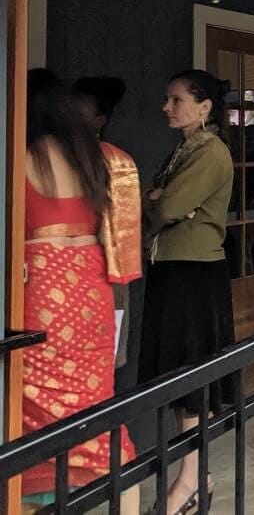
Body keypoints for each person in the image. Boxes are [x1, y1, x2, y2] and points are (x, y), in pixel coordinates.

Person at [21, 70, 139, 514]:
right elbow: (124, 246)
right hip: (92, 292)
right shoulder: (107, 158)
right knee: (96, 408)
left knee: (33, 413)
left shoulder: (17, 157)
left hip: (40, 290)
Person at [140, 69, 237, 514]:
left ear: (204, 107)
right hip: (173, 269)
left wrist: (160, 200)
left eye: (176, 100)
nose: (167, 107)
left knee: (191, 381)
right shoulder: (185, 149)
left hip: (193, 275)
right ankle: (194, 475)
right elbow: (161, 202)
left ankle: (191, 478)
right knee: (180, 379)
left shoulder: (210, 151)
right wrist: (159, 199)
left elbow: (170, 205)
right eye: (167, 98)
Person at [72, 77, 140, 376]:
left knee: (103, 362)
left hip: (106, 271)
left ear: (100, 120)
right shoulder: (51, 155)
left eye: (80, 114)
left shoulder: (115, 161)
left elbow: (123, 237)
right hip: (66, 275)